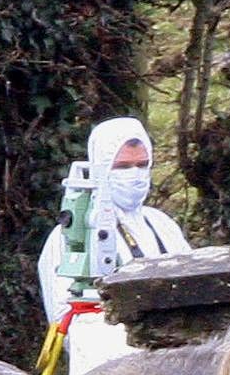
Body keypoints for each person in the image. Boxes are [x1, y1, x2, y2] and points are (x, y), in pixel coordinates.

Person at [36, 115, 191, 322]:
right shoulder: (72, 235)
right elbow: (65, 316)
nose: (135, 174)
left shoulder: (162, 224)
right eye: (123, 167)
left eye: (142, 165)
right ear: (101, 168)